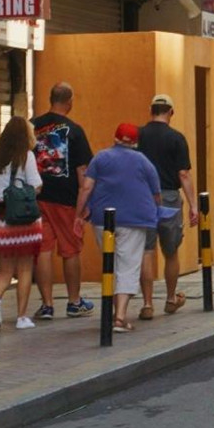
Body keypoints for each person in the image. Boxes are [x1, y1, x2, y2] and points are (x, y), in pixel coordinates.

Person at [77, 123, 164, 333]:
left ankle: (115, 313)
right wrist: (158, 211)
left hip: (103, 219)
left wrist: (78, 215)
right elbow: (156, 193)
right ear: (135, 142)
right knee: (128, 267)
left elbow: (86, 187)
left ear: (115, 138)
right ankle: (120, 317)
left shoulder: (100, 157)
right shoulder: (143, 161)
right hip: (134, 219)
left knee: (112, 265)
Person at [29, 82, 95, 320]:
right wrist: (84, 203)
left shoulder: (32, 126)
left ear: (51, 98)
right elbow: (83, 171)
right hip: (66, 199)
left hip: (37, 197)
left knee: (43, 250)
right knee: (70, 250)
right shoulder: (74, 130)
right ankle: (74, 302)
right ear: (69, 101)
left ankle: (47, 305)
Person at [137, 95, 198, 320]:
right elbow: (183, 174)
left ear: (151, 110)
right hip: (169, 198)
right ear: (171, 112)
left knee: (146, 251)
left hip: (143, 197)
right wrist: (193, 205)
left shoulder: (139, 135)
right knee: (171, 252)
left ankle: (147, 304)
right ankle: (171, 299)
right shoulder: (176, 138)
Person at [0, 115, 44, 330]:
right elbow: (36, 185)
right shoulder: (26, 156)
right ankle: (21, 317)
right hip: (23, 219)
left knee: (4, 270)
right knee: (25, 269)